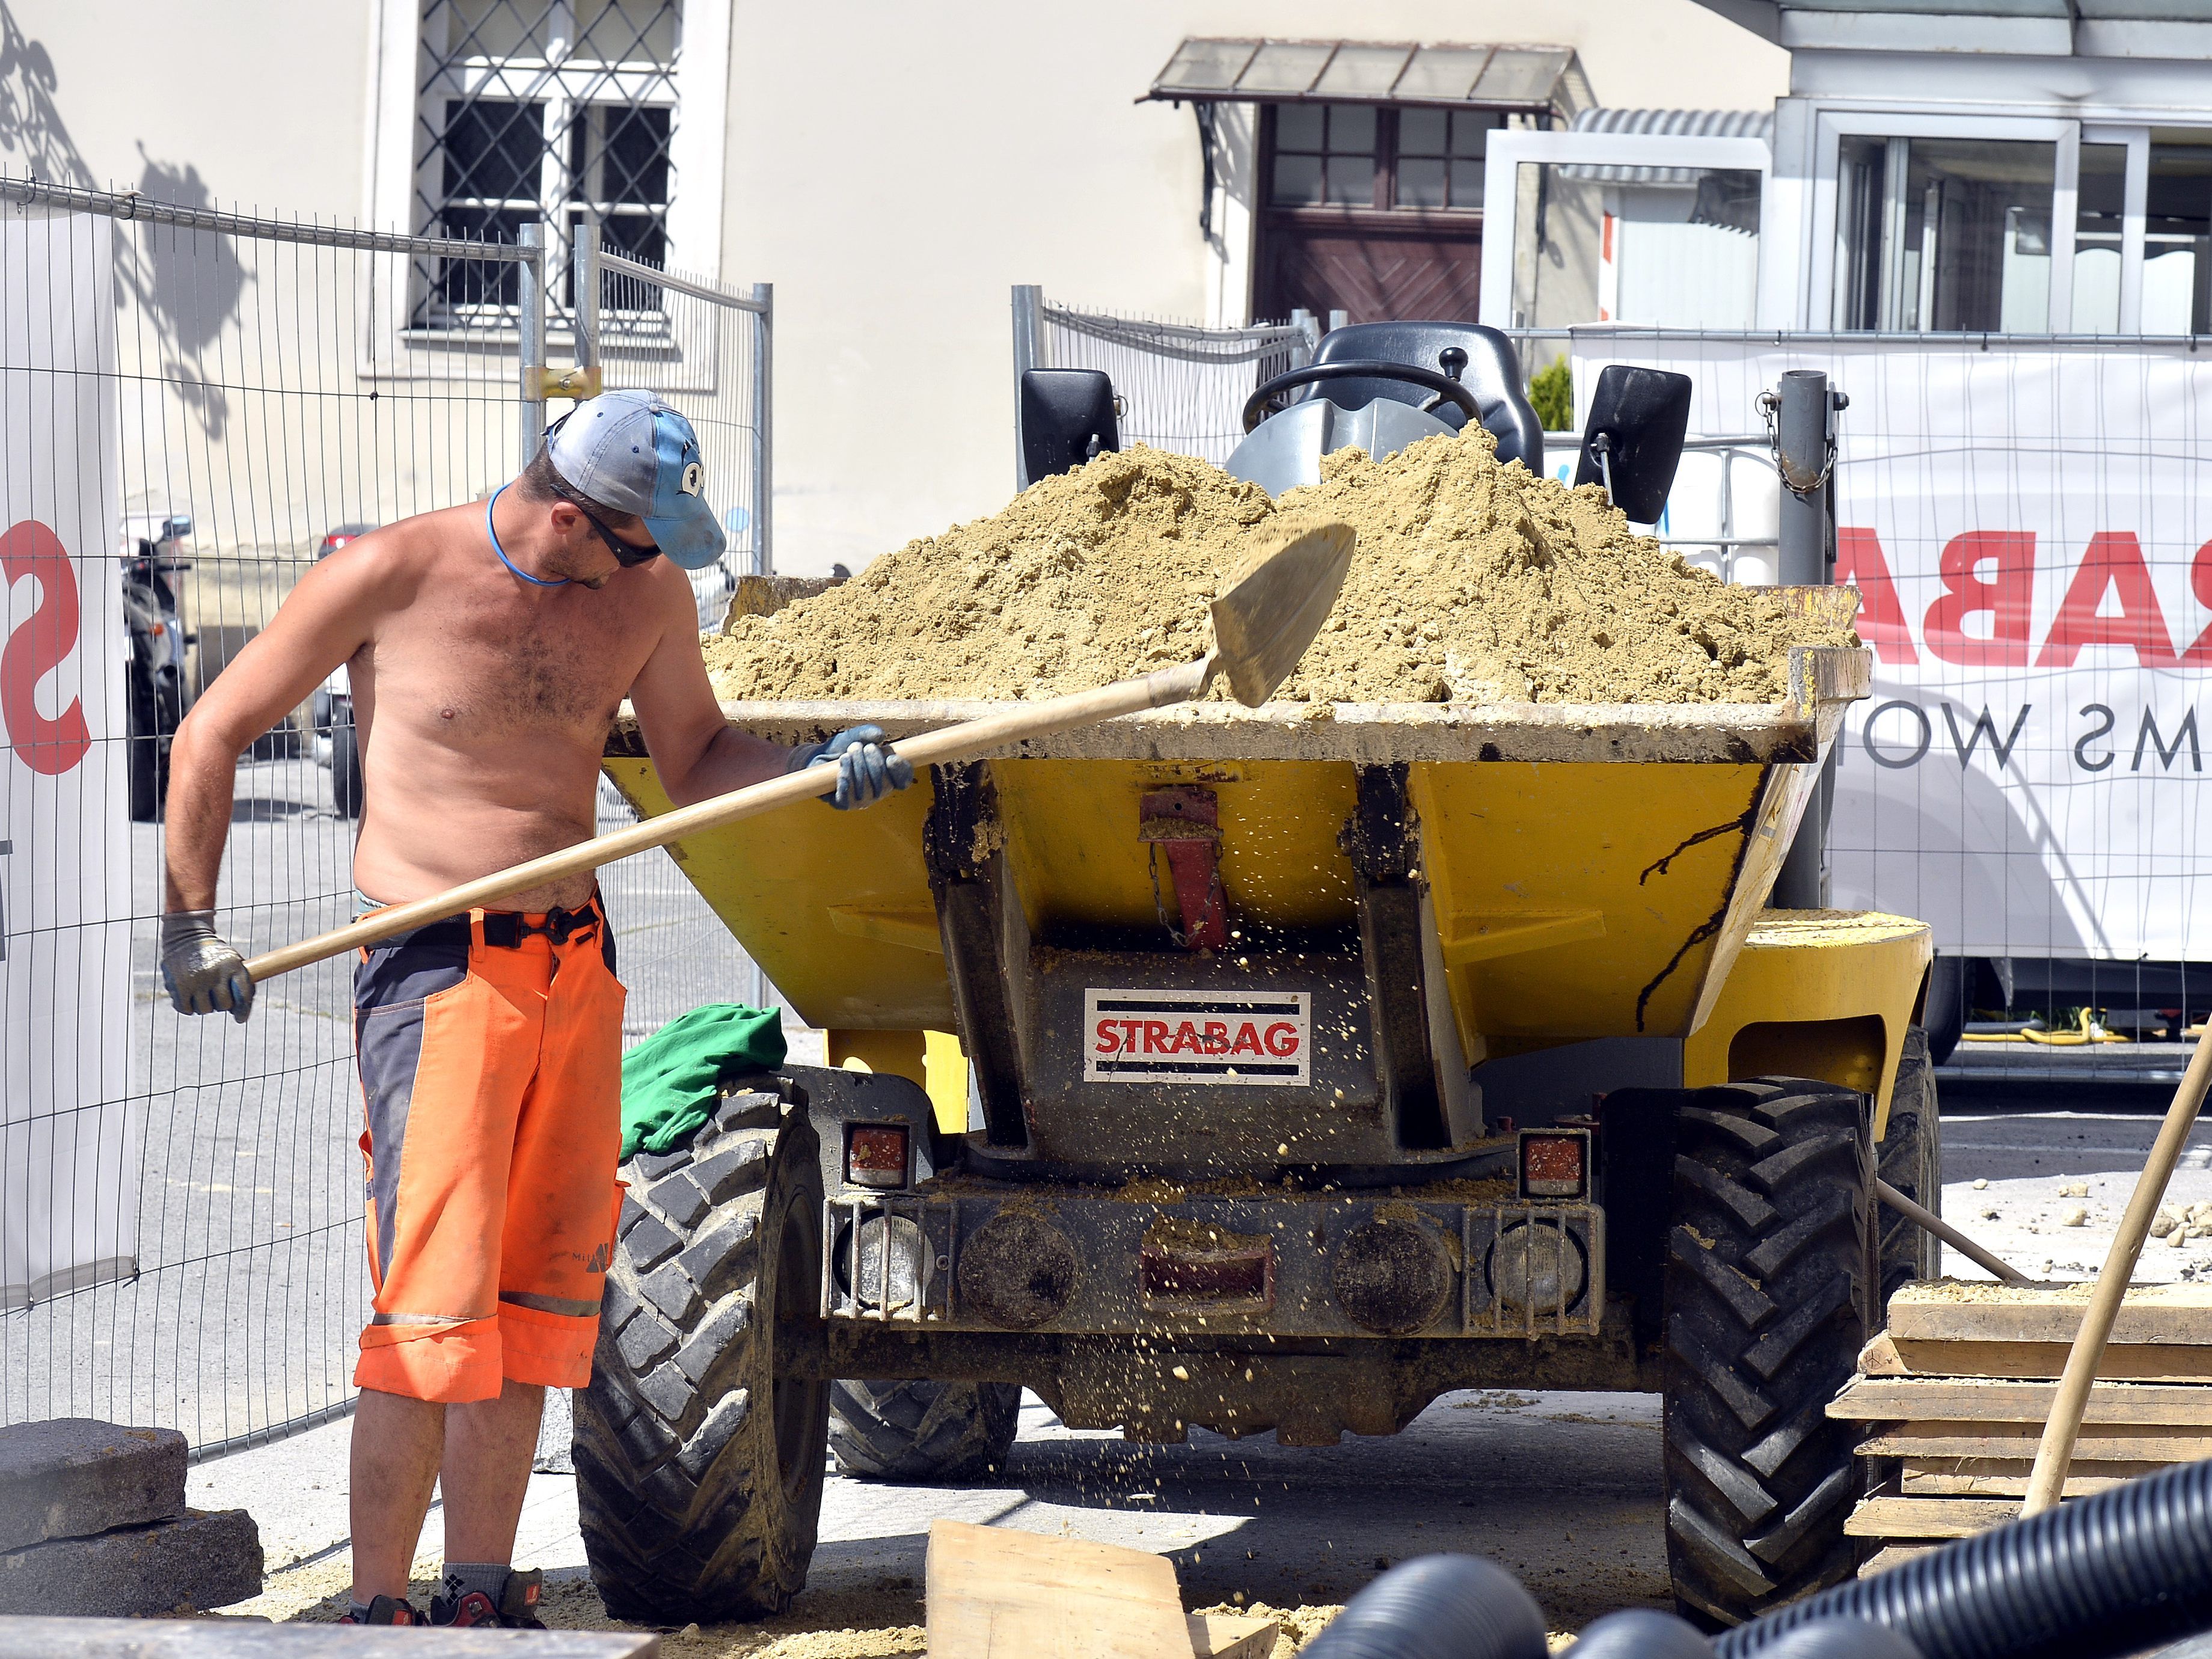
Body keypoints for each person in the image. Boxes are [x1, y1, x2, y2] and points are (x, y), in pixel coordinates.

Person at [159, 391, 911, 1627]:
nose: (652, 563)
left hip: (571, 963)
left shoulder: (647, 591)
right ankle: (379, 1605)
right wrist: (192, 922)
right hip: (439, 971)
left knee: (539, 1302)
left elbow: (697, 755)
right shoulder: (396, 574)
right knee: (429, 1304)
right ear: (566, 515)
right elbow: (213, 730)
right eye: (633, 540)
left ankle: (479, 1591)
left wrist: (820, 767)